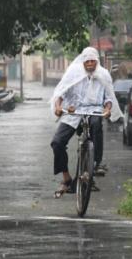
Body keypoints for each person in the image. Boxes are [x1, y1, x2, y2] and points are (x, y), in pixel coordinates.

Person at [50, 47, 123, 197]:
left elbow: (108, 98)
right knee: (57, 142)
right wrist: (58, 107)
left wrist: (108, 109)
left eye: (93, 61)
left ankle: (95, 164)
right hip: (73, 111)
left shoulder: (103, 75)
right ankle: (66, 178)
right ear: (83, 62)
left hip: (94, 110)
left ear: (97, 62)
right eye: (87, 61)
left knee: (96, 124)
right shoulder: (74, 73)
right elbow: (61, 93)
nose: (90, 64)